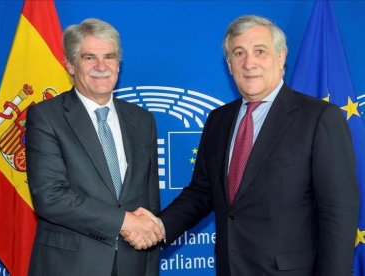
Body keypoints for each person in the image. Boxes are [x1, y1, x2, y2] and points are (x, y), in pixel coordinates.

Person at [126, 15, 359, 275]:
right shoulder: (219, 120)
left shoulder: (318, 118)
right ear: (229, 64)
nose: (249, 63)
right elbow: (202, 193)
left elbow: (338, 213)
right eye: (239, 53)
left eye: (260, 51)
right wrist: (159, 227)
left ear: (280, 58)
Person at [25, 18, 163, 276]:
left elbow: (149, 200)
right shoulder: (46, 117)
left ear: (118, 65)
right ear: (70, 65)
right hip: (71, 266)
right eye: (90, 57)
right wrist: (124, 222)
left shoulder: (142, 120)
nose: (102, 66)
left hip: (133, 263)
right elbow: (51, 196)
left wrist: (149, 254)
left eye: (109, 57)